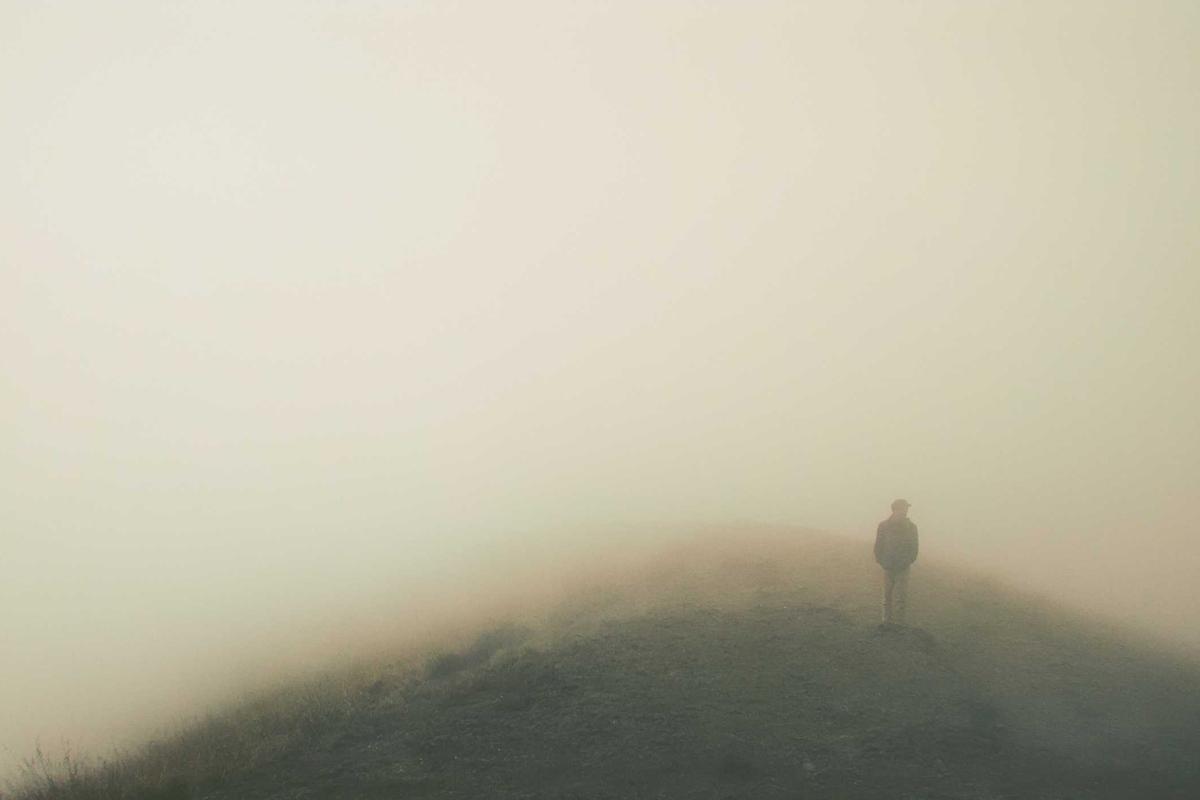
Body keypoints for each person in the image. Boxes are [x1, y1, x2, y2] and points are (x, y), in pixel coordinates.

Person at [874, 498, 918, 626]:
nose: (906, 511)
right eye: (904, 508)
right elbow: (878, 545)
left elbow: (914, 547)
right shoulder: (883, 526)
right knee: (886, 595)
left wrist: (908, 561)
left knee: (901, 597)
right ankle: (886, 622)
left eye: (906, 508)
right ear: (895, 509)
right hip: (887, 565)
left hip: (903, 566)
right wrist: (881, 560)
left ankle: (899, 624)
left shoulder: (911, 527)